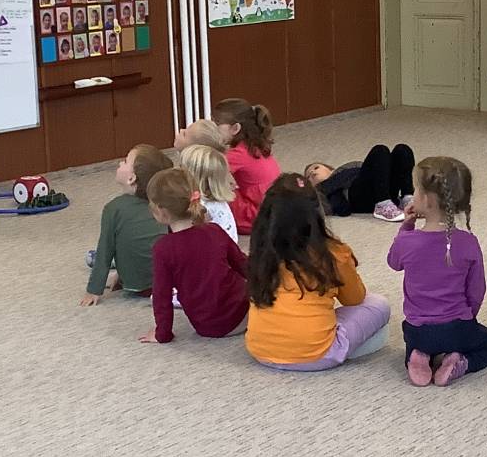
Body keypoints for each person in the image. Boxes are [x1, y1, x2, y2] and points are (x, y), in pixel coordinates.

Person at [245, 175, 390, 371]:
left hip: (260, 350)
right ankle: (337, 346)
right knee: (379, 304)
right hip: (317, 355)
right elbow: (355, 299)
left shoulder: (260, 250)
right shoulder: (334, 253)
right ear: (317, 214)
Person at [387, 156, 487, 387]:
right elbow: (477, 290)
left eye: (415, 190)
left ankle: (417, 356)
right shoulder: (468, 242)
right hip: (457, 327)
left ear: (425, 199)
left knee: (417, 340)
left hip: (418, 330)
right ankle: (459, 360)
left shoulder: (408, 241)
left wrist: (407, 226)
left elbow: (393, 262)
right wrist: (469, 318)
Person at [140, 168, 249, 343]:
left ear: (160, 211)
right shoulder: (214, 230)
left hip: (209, 326)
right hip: (246, 312)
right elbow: (243, 265)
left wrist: (162, 334)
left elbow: (162, 296)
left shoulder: (163, 249)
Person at [81, 144, 171, 305]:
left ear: (131, 179)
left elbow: (105, 250)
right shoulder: (162, 204)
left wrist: (93, 289)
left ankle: (121, 275)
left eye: (125, 161)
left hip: (136, 284)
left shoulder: (113, 208)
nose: (120, 163)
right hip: (167, 280)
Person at [212, 97, 281, 236]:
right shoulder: (255, 145)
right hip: (273, 211)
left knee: (214, 192)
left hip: (254, 217)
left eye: (216, 124)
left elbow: (208, 170)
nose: (212, 128)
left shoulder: (237, 154)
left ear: (235, 128)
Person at [306, 144, 415, 220]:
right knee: (379, 150)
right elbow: (340, 209)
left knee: (402, 150)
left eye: (316, 168)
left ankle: (408, 198)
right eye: (308, 176)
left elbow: (369, 168)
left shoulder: (346, 169)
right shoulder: (320, 192)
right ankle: (383, 205)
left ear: (330, 169)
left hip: (381, 187)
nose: (313, 173)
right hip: (357, 197)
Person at [178, 143, 239, 242]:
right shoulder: (216, 198)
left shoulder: (200, 205)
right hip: (229, 246)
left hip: (214, 248)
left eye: (181, 168)